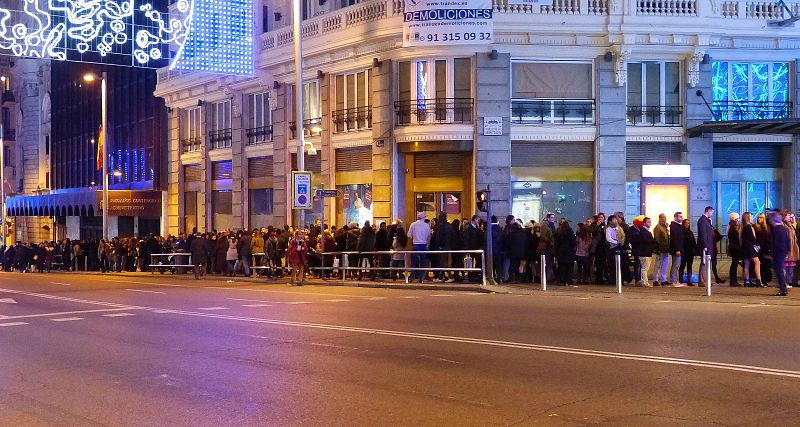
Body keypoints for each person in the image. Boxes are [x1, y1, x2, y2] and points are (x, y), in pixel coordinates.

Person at [770, 212, 791, 296]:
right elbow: (788, 240)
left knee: (779, 271)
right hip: (783, 252)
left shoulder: (776, 229)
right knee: (781, 270)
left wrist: (771, 253)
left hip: (777, 252)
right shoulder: (784, 228)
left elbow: (774, 242)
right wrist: (788, 251)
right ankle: (783, 288)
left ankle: (783, 290)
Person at [407, 213, 431, 283]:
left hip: (415, 245)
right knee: (423, 262)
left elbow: (409, 235)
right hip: (423, 245)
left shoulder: (413, 224)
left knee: (414, 261)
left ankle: (412, 275)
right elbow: (429, 235)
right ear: (423, 218)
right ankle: (422, 277)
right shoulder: (426, 225)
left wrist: (414, 237)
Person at [741, 212, 762, 287]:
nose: (752, 218)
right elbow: (752, 238)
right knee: (757, 262)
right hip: (750, 248)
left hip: (746, 248)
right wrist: (758, 244)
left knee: (747, 264)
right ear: (747, 218)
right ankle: (759, 280)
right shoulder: (748, 227)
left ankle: (747, 281)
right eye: (751, 217)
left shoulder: (744, 227)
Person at [696, 206, 716, 286]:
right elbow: (703, 233)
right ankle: (702, 280)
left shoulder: (706, 220)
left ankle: (706, 279)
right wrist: (705, 245)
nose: (712, 214)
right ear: (709, 211)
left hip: (708, 244)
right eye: (712, 212)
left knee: (707, 263)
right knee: (704, 262)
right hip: (706, 245)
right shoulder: (702, 220)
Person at [554, 219, 576, 285]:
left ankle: (561, 280)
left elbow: (556, 242)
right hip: (569, 251)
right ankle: (567, 281)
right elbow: (573, 242)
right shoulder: (570, 231)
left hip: (561, 251)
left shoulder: (559, 232)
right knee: (569, 267)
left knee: (561, 266)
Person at [782, 211, 799, 289]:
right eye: (788, 216)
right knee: (785, 267)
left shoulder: (790, 225)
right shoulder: (784, 225)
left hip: (792, 248)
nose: (789, 218)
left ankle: (788, 282)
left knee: (790, 267)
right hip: (788, 249)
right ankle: (784, 282)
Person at [668, 212, 685, 287]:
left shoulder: (679, 226)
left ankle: (676, 281)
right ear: (675, 217)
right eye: (680, 217)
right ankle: (674, 281)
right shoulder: (674, 226)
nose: (682, 218)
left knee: (677, 265)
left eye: (682, 216)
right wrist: (677, 249)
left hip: (680, 248)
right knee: (676, 265)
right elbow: (674, 239)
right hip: (676, 249)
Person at [755, 212, 772, 285]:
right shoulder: (755, 226)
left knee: (765, 265)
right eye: (758, 217)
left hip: (765, 248)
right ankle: (760, 280)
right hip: (758, 249)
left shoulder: (767, 227)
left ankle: (764, 280)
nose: (759, 219)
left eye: (761, 217)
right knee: (760, 265)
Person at [678, 219, 697, 286]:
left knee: (689, 266)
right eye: (686, 223)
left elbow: (693, 242)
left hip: (690, 252)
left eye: (688, 223)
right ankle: (680, 281)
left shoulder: (690, 232)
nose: (687, 224)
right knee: (682, 266)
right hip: (683, 252)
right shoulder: (680, 232)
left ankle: (690, 281)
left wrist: (695, 250)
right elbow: (680, 243)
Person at [727, 213, 743, 286]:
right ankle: (733, 281)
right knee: (734, 264)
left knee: (734, 264)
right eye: (737, 219)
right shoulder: (733, 228)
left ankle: (733, 281)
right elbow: (736, 238)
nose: (738, 220)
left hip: (733, 247)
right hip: (735, 248)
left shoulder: (731, 226)